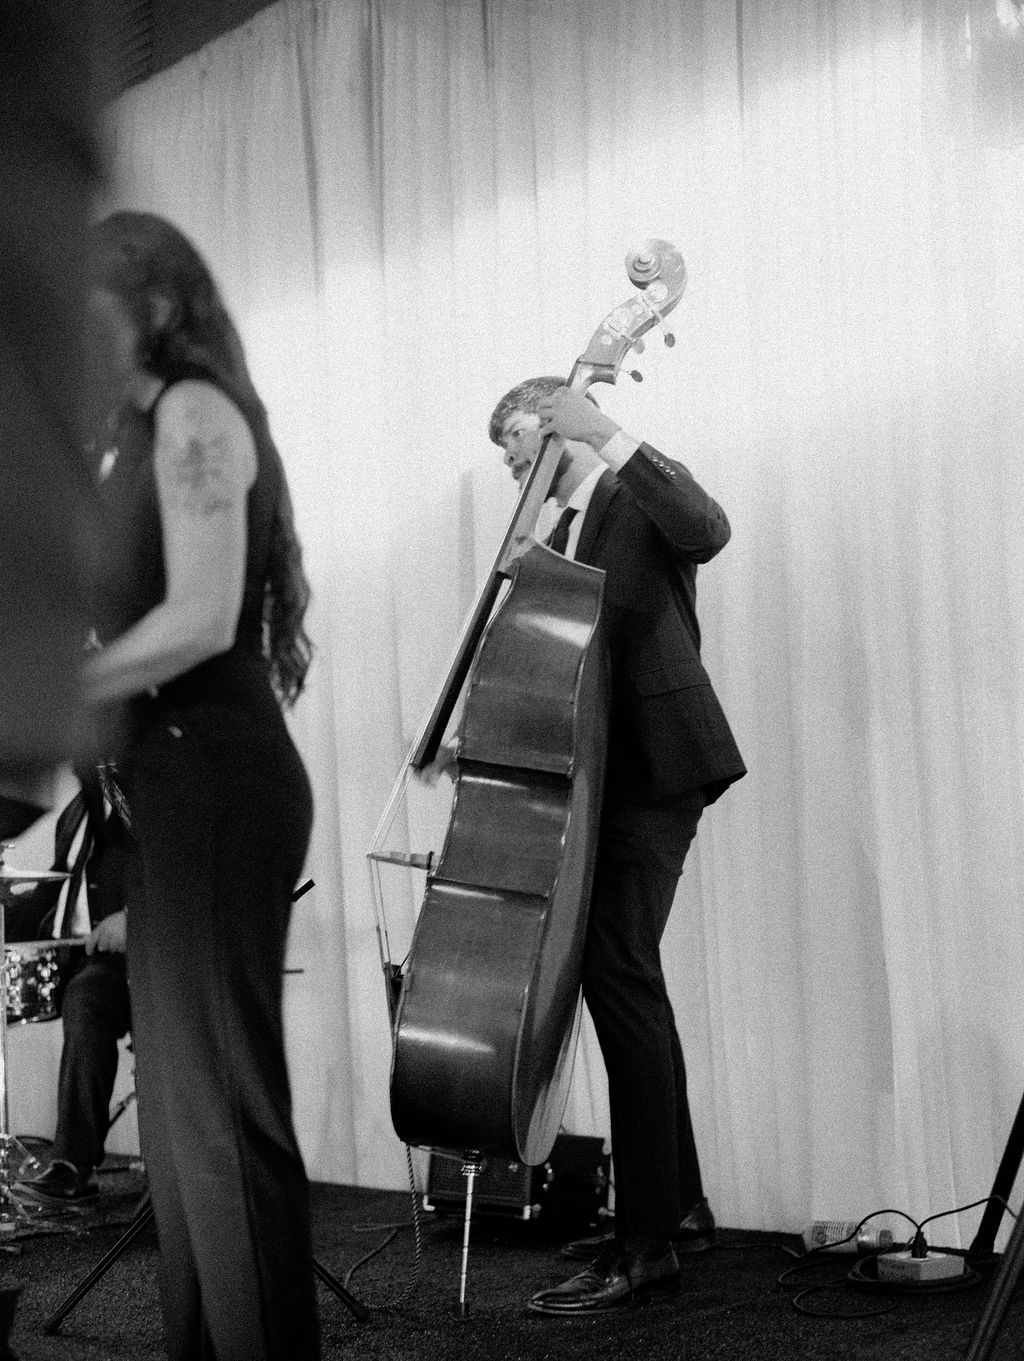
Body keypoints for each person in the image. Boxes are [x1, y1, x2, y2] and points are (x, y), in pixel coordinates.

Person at [80, 210, 318, 1361]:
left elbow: (201, 616)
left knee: (221, 1114)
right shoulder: (129, 435)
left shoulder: (195, 411)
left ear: (156, 305)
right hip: (167, 788)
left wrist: (53, 693)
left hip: (220, 780)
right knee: (179, 1137)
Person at [487, 376, 746, 1316]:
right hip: (607, 776)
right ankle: (678, 1206)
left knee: (616, 971)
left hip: (657, 765)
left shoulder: (632, 497)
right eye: (509, 458)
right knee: (631, 975)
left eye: (521, 446)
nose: (515, 468)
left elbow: (708, 528)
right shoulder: (564, 534)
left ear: (560, 429)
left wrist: (606, 428)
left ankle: (645, 1247)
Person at [11, 777, 132, 1205]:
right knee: (82, 992)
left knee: (86, 998)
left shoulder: (150, 794)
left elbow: (179, 873)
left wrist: (132, 917)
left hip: (136, 961)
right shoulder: (79, 808)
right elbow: (54, 891)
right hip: (75, 958)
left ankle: (71, 1163)